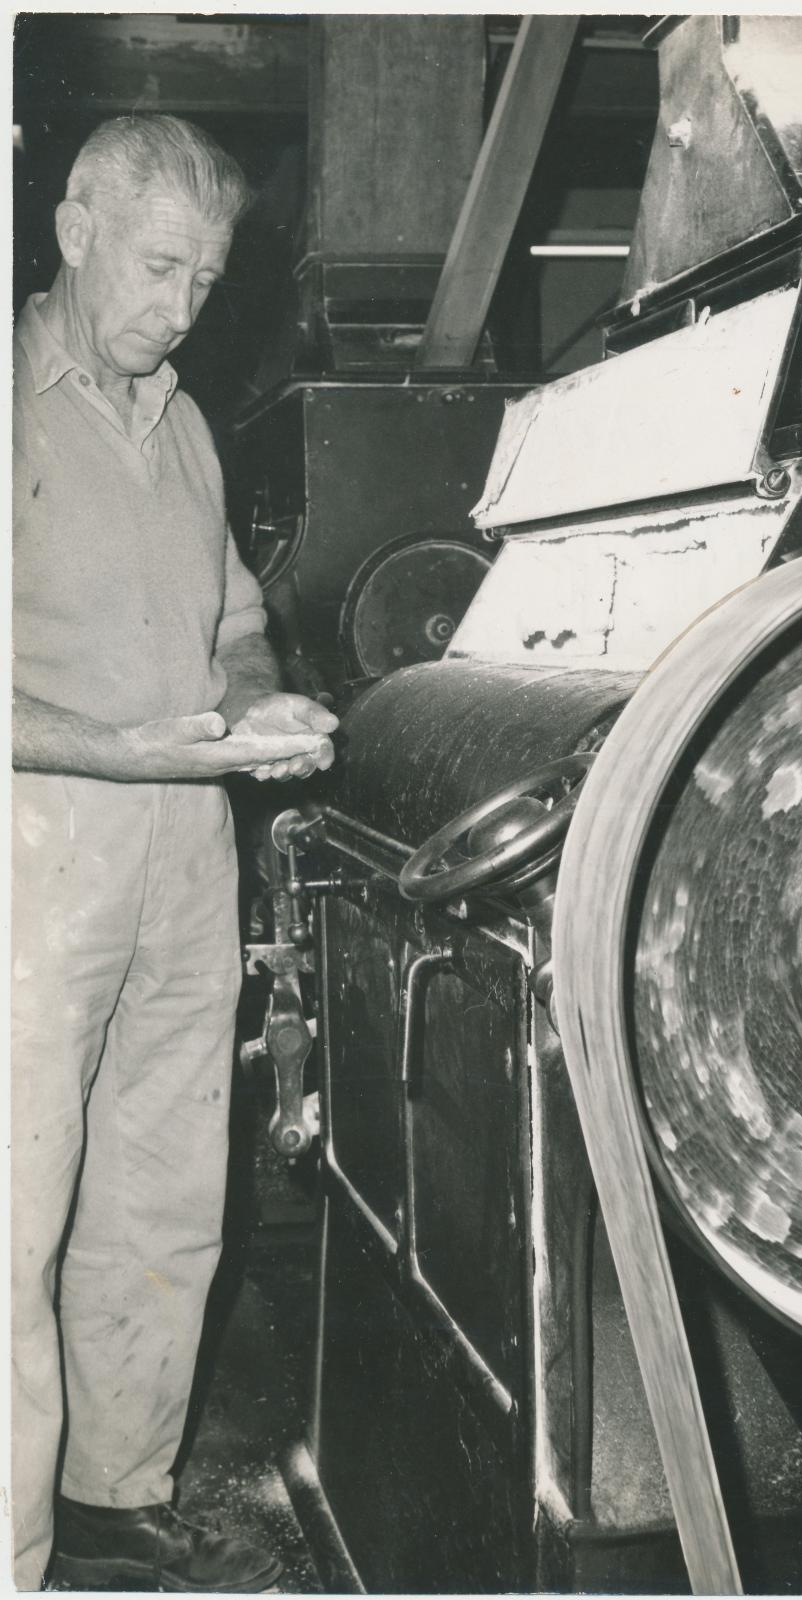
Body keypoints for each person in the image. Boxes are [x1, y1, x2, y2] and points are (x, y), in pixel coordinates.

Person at [11, 114, 339, 1591]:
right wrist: (124, 746)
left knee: (160, 1187)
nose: (182, 307)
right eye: (160, 268)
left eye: (206, 281)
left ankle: (112, 1494)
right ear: (75, 229)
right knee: (15, 1206)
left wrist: (254, 692)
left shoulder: (189, 422)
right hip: (38, 840)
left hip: (184, 849)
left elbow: (229, 619)